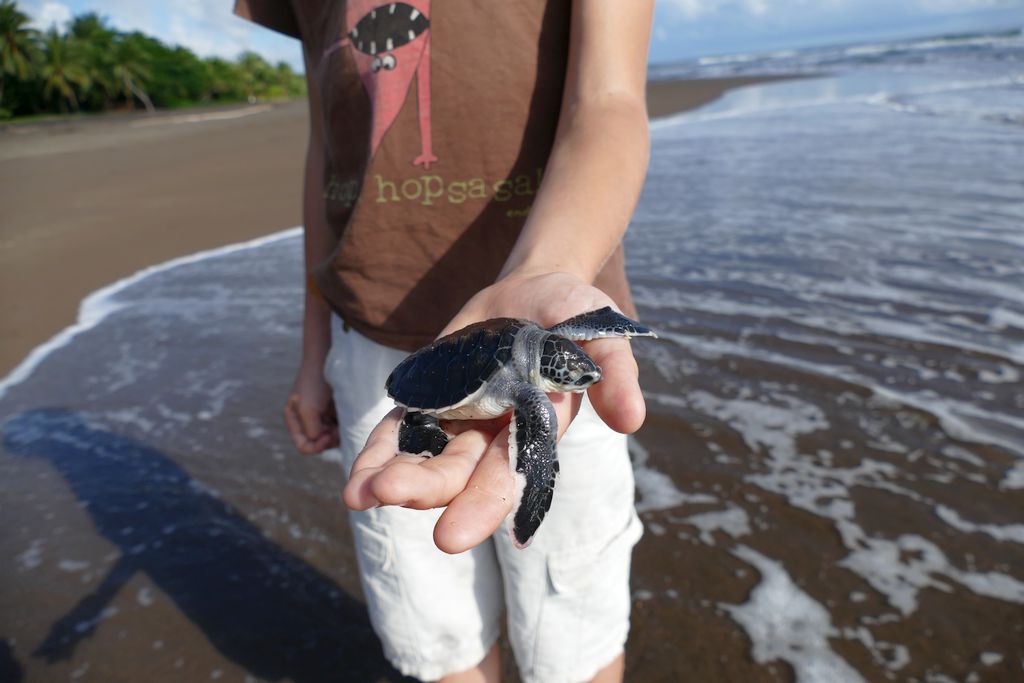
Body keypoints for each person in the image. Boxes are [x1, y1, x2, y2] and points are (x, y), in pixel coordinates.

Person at [235, 2, 654, 681]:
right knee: (435, 629)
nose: (566, 379)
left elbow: (608, 99)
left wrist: (546, 268)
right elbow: (330, 136)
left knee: (572, 631)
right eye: (563, 374)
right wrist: (314, 355)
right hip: (371, 335)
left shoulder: (554, 371)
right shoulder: (528, 393)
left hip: (553, 297)